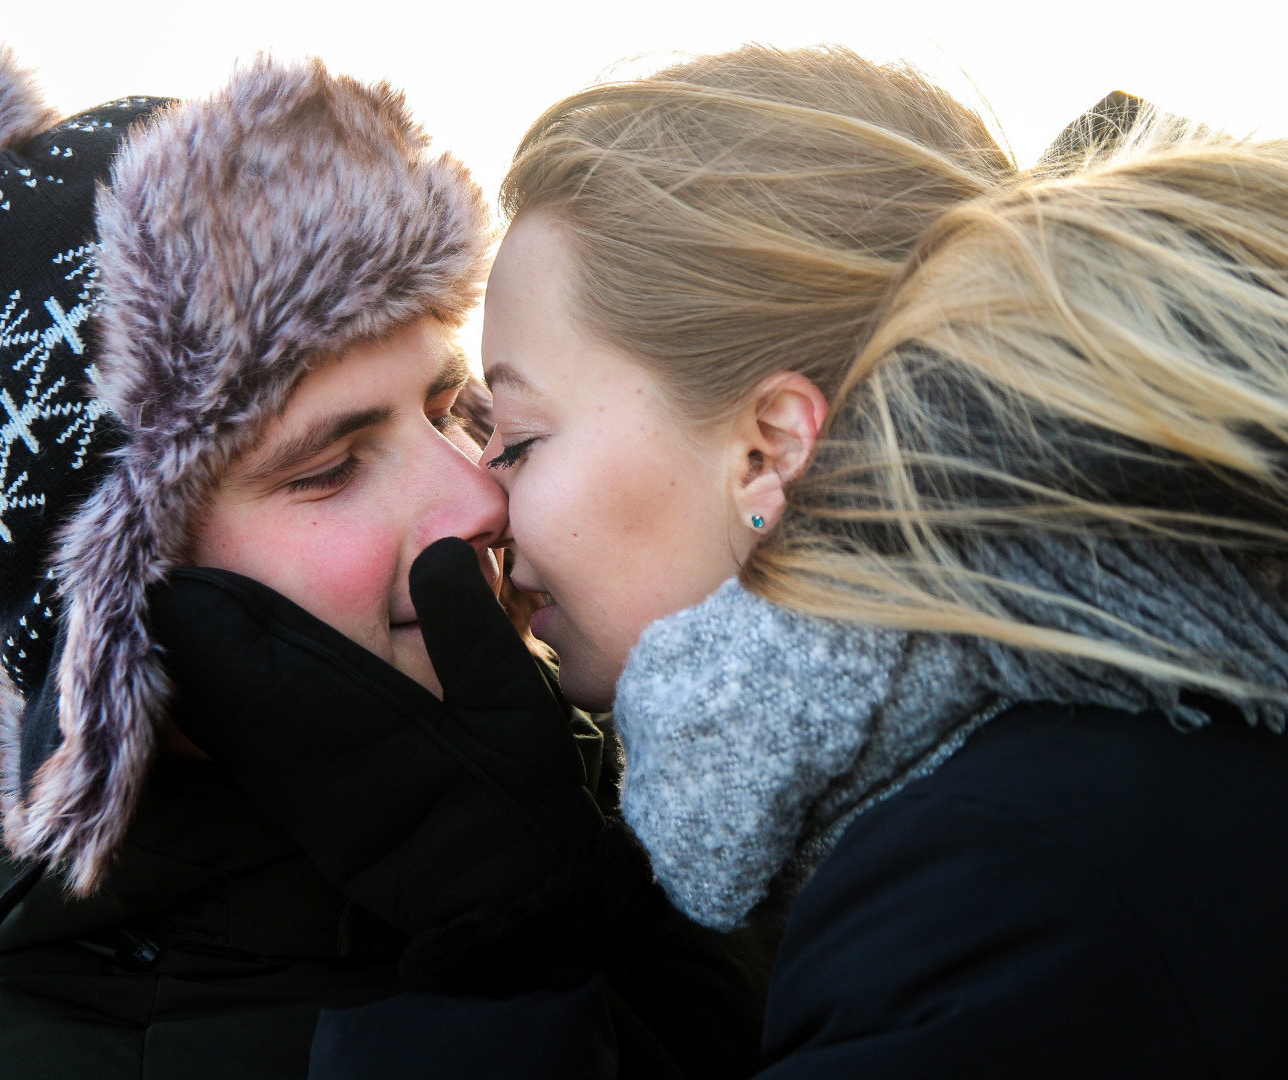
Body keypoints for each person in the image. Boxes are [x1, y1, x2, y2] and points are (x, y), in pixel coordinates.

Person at [0, 29, 760, 1080]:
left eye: (451, 412)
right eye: (329, 468)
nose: (478, 493)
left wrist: (590, 920)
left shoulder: (613, 778)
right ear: (116, 610)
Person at [477, 44, 1288, 1074]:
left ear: (769, 447)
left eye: (516, 438)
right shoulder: (1070, 758)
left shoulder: (1000, 895)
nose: (482, 497)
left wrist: (470, 1009)